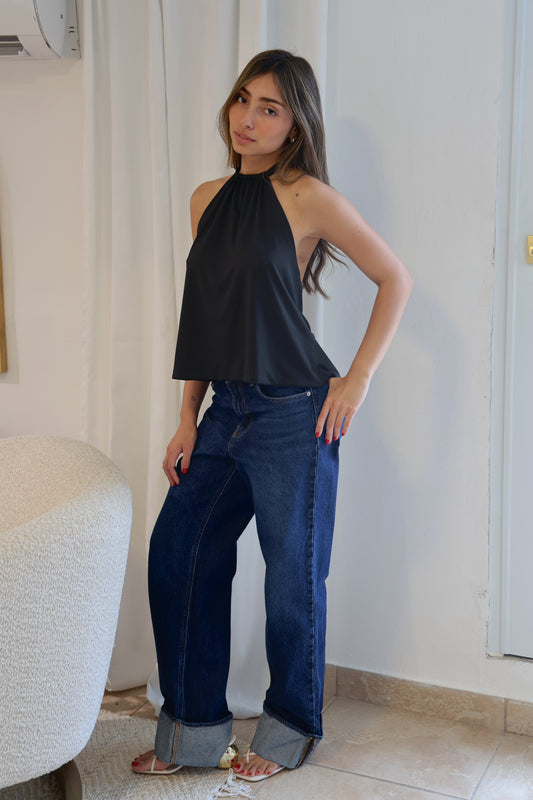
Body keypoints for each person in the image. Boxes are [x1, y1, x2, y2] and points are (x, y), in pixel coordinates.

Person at [131, 49, 412, 783]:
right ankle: (193, 734)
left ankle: (289, 733)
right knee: (179, 554)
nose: (247, 119)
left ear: (294, 126)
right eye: (242, 100)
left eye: (270, 108)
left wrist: (356, 379)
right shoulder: (206, 199)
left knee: (292, 579)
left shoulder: (308, 196)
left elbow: (395, 277)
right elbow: (206, 315)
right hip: (225, 410)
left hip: (295, 413)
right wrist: (188, 414)